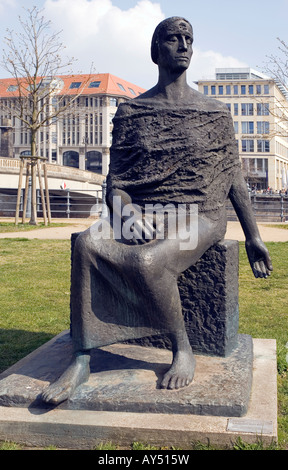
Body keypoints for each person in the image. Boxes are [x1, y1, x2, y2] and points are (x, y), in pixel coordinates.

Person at [41, 17, 272, 405]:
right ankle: (82, 358)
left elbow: (233, 175)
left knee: (148, 261)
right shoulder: (133, 112)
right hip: (144, 209)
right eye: (173, 39)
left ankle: (181, 347)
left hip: (201, 213)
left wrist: (253, 235)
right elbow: (116, 183)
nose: (183, 45)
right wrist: (127, 213)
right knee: (86, 244)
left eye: (188, 39)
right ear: (156, 49)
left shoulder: (214, 112)